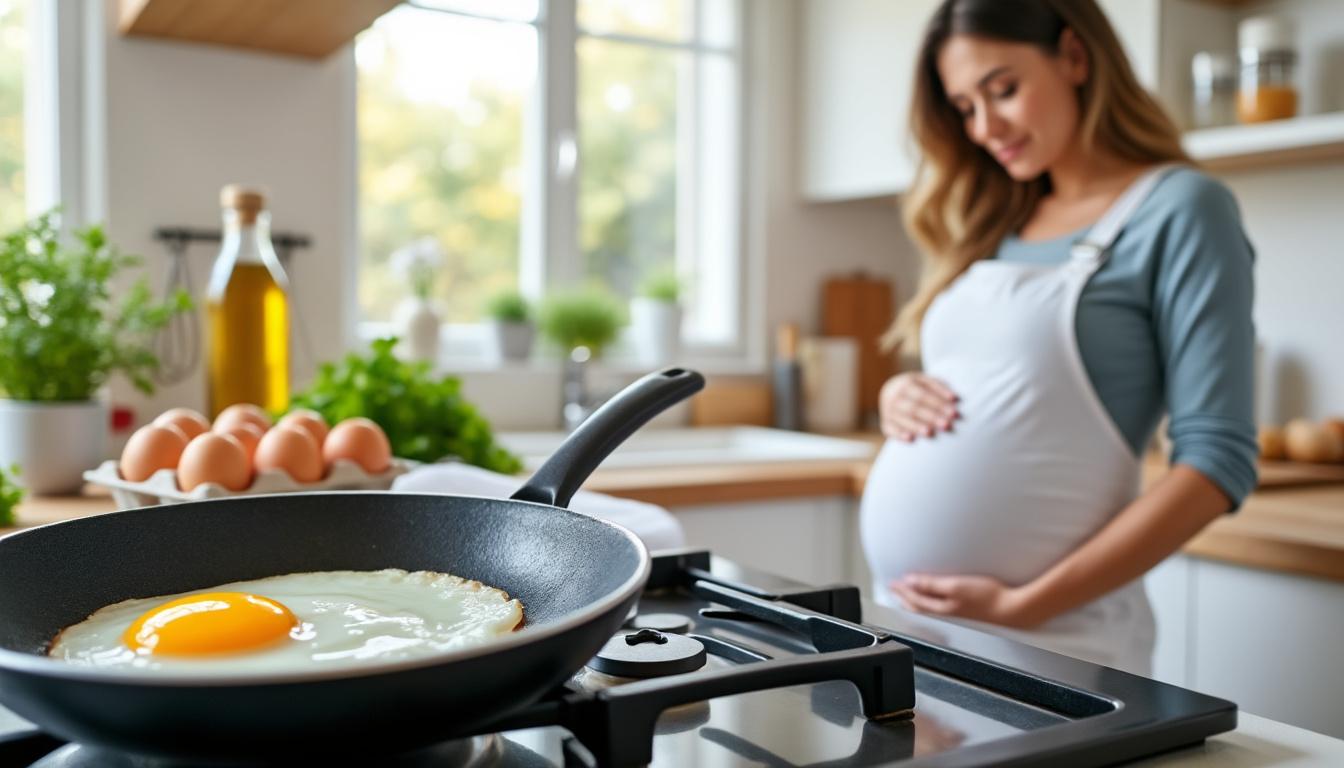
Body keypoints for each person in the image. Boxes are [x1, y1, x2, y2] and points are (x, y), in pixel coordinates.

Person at [859, 0, 1257, 675]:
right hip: (908, 630)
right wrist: (901, 392)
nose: (985, 127)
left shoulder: (1181, 209)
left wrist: (1024, 605)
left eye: (1003, 90)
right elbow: (982, 379)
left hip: (1056, 641)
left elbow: (1217, 462)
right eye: (964, 107)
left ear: (1075, 56)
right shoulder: (996, 216)